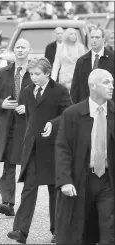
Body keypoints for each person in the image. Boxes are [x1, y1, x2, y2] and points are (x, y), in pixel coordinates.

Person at [7, 57, 72, 244]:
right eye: (31, 74)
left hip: (53, 148)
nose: (33, 78)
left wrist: (53, 124)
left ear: (47, 73)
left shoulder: (60, 90)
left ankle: (58, 231)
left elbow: (68, 115)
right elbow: (29, 118)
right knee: (29, 188)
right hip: (33, 148)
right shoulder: (27, 91)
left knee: (55, 190)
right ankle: (20, 230)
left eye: (37, 74)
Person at [55, 69, 114, 244]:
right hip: (81, 179)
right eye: (106, 82)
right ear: (92, 86)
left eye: (112, 82)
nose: (112, 86)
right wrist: (64, 179)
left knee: (109, 229)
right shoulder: (73, 114)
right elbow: (62, 148)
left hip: (108, 181)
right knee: (79, 230)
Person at [0, 38, 33, 217]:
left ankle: (27, 203)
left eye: (23, 47)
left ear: (29, 50)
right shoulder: (3, 73)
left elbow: (46, 96)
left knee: (29, 166)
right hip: (8, 125)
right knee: (9, 164)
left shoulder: (36, 72)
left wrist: (29, 108)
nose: (20, 50)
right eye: (17, 47)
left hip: (28, 125)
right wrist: (2, 103)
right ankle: (8, 202)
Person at [70, 27, 114, 104]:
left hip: (108, 107)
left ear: (103, 40)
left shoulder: (112, 59)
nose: (94, 40)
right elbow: (75, 87)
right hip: (86, 107)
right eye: (92, 37)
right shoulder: (82, 61)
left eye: (97, 37)